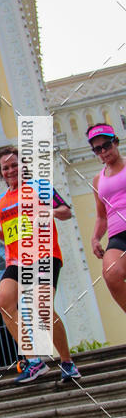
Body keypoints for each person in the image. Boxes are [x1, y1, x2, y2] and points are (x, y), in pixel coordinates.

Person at [0, 147, 80, 383]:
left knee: (42, 305)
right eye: (5, 168)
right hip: (17, 260)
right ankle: (34, 361)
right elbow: (15, 233)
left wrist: (47, 212)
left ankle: (67, 362)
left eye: (14, 165)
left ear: (23, 165)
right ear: (0, 172)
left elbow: (66, 212)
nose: (10, 170)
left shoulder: (40, 186)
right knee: (4, 303)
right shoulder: (2, 201)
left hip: (45, 254)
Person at [88, 122, 126, 312]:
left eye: (107, 145)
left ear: (116, 142)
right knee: (111, 273)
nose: (103, 151)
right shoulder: (98, 180)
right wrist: (95, 238)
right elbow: (101, 216)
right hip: (118, 235)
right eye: (97, 149)